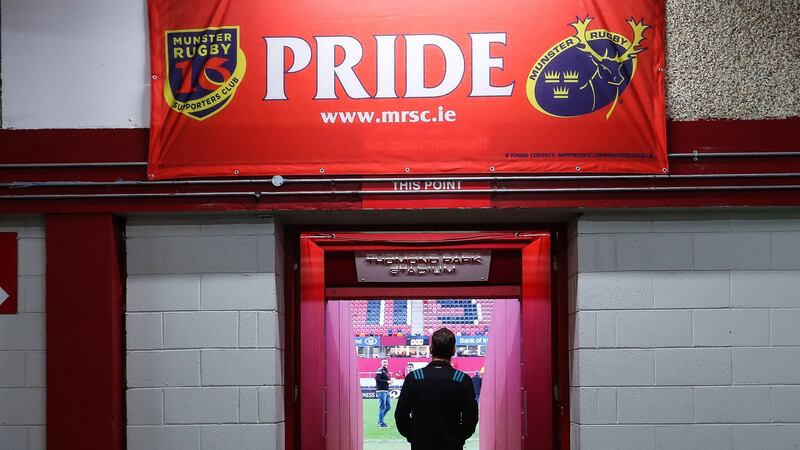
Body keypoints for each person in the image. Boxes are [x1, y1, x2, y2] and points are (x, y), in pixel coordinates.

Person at [395, 328, 478, 450]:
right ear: (453, 350)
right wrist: (457, 438)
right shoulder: (462, 379)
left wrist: (414, 436)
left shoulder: (414, 377)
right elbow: (471, 419)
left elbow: (401, 415)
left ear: (430, 349)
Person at [375, 358, 392, 428]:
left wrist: (390, 381)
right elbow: (377, 379)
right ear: (381, 363)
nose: (385, 363)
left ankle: (380, 420)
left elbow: (385, 380)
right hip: (381, 391)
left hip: (386, 390)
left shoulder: (386, 370)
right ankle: (381, 423)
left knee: (388, 406)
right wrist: (387, 381)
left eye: (386, 362)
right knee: (382, 407)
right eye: (384, 362)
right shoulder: (379, 370)